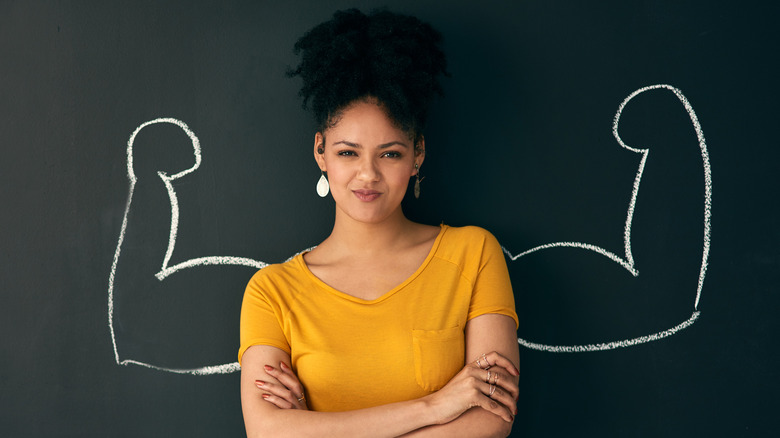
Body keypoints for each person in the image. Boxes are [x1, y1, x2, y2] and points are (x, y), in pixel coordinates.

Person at [238, 9, 520, 437]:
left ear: (417, 154)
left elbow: (491, 420)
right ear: (321, 152)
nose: (367, 175)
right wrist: (435, 406)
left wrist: (317, 429)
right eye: (348, 152)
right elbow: (267, 431)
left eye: (389, 153)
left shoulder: (473, 254)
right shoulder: (272, 292)